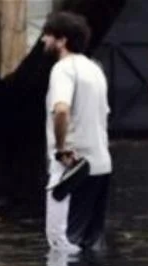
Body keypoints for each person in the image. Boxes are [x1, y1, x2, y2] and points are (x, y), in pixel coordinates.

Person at [42, 11, 112, 252]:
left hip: (73, 169)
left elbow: (61, 110)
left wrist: (61, 150)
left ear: (62, 40)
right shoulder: (95, 69)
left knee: (62, 244)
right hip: (101, 167)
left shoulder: (63, 69)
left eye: (48, 35)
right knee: (91, 245)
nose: (43, 41)